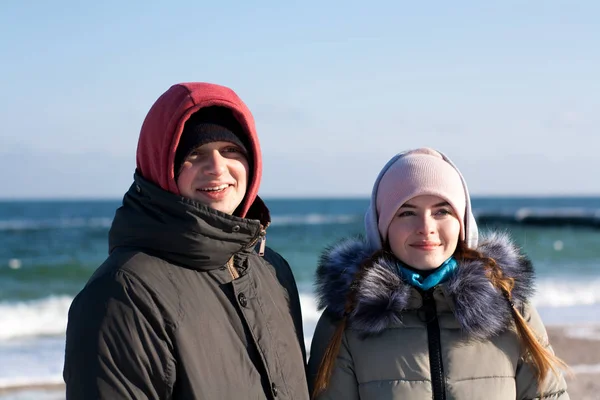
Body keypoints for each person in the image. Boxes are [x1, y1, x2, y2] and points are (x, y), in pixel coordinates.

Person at [63, 82, 309, 399]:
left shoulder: (273, 271)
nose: (218, 168)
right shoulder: (121, 293)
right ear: (162, 165)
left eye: (231, 150)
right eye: (196, 153)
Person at [307, 148, 569, 399]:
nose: (426, 227)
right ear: (382, 226)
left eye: (442, 211)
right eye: (407, 212)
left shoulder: (511, 308)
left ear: (462, 222)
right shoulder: (347, 317)